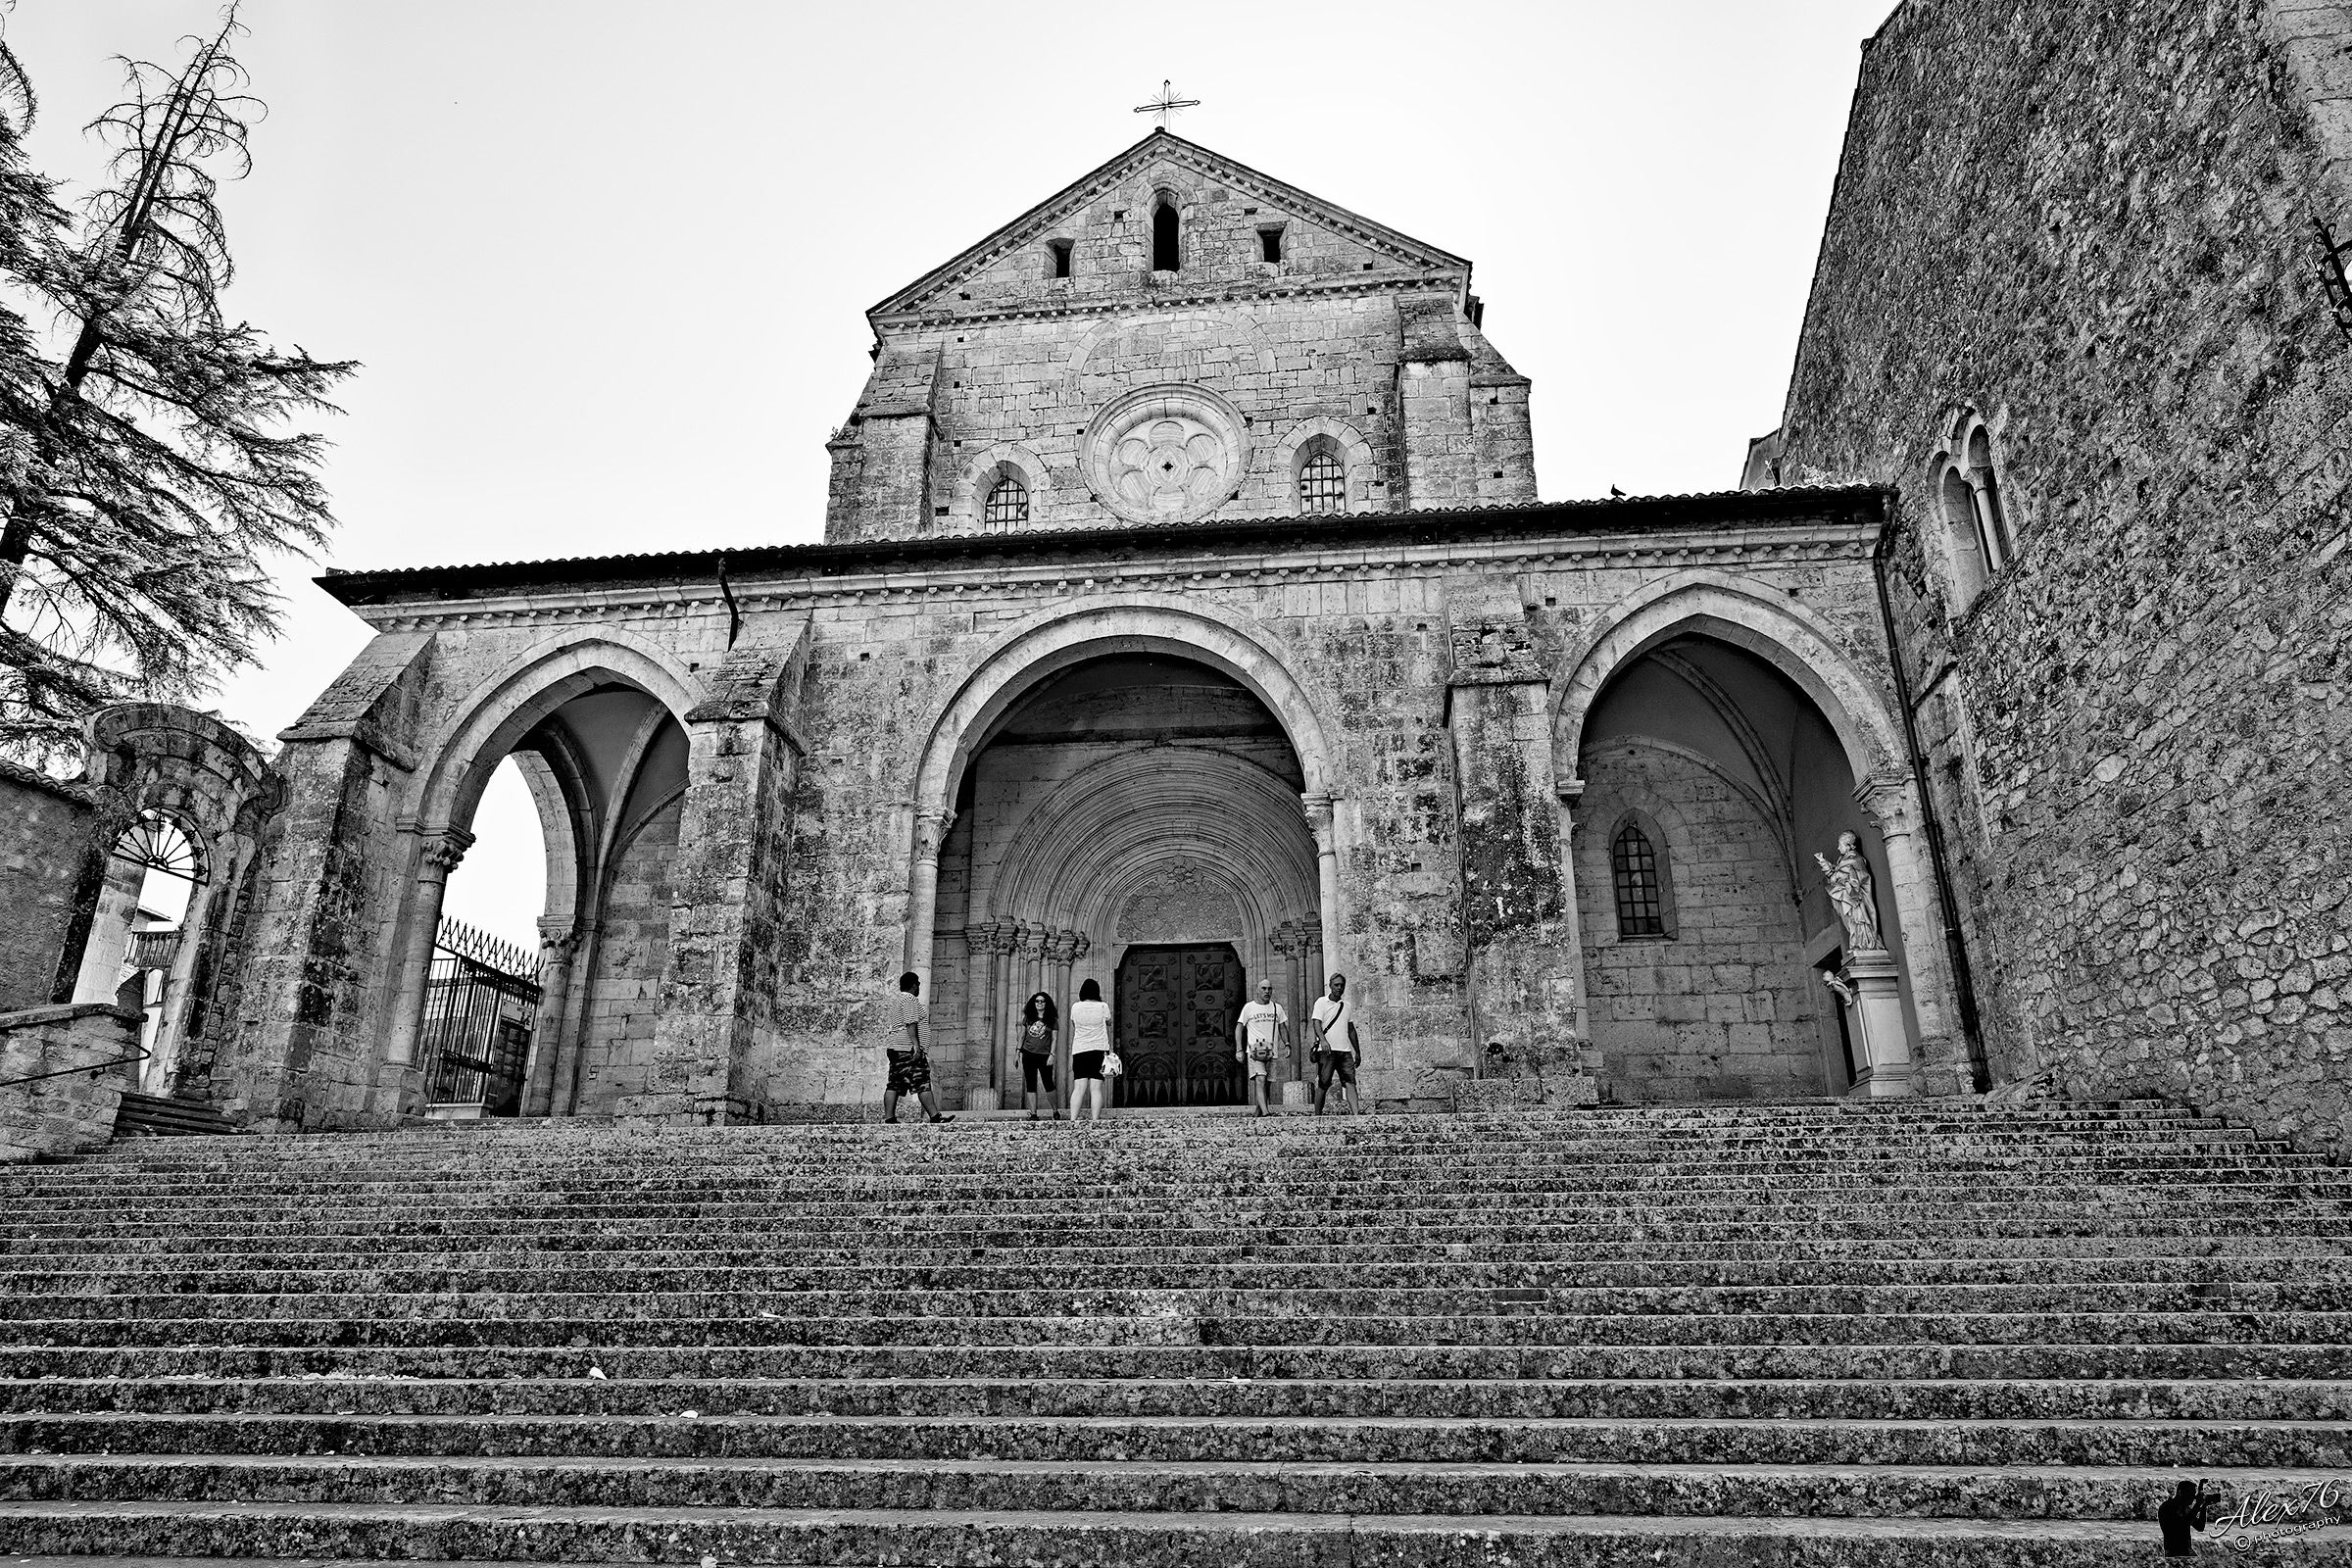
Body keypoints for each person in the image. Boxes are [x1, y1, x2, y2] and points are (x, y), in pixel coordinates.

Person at [880, 970, 951, 1125]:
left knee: (894, 1082)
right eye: (918, 984)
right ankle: (935, 1116)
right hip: (907, 1048)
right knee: (922, 1081)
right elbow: (910, 1022)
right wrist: (916, 1045)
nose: (918, 987)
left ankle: (889, 1118)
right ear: (913, 985)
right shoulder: (909, 999)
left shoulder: (897, 1000)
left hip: (896, 1047)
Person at [1234, 978, 1289, 1117]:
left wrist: (1287, 1044)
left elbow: (1282, 1027)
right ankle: (1265, 1112)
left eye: (1269, 989)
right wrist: (1239, 1049)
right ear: (1257, 990)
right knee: (1261, 1079)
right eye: (1264, 988)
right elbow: (1239, 1028)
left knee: (1267, 1084)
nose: (1267, 991)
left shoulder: (1277, 1008)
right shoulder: (1249, 1007)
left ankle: (1258, 1112)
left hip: (1271, 1052)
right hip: (1255, 1052)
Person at [1310, 972, 1360, 1115]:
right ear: (1330, 985)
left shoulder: (1346, 1006)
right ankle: (1317, 1116)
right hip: (1327, 1051)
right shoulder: (1321, 1002)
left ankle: (1356, 1115)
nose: (1339, 988)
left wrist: (1357, 1051)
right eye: (1336, 985)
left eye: (1341, 985)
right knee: (1323, 1083)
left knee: (1350, 1082)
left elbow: (1351, 1029)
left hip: (1344, 1051)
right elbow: (1316, 1023)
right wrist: (1323, 1040)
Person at [1066, 977, 1112, 1124]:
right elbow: (1109, 1022)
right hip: (1098, 1050)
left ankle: (1073, 1119)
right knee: (1096, 1088)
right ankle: (1095, 1120)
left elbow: (1074, 1024)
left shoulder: (1075, 1007)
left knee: (1079, 1088)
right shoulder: (1103, 1006)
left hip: (1080, 1050)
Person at [1017, 991, 1060, 1120]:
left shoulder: (1052, 1020)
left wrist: (1052, 1055)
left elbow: (1054, 1039)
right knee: (1031, 1084)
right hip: (1028, 1054)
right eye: (1037, 1001)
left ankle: (1055, 1111)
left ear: (1046, 1003)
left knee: (1048, 1084)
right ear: (1033, 1003)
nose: (1039, 1003)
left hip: (1044, 1055)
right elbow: (1022, 1036)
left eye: (1042, 1001)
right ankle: (1033, 1114)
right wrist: (1017, 1053)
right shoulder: (1028, 1018)